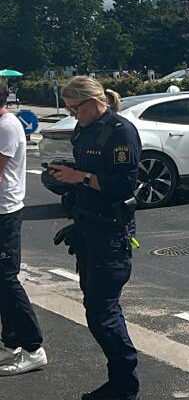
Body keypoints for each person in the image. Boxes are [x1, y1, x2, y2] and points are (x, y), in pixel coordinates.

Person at [49, 76, 141, 400]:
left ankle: (125, 384)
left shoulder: (119, 132)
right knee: (96, 309)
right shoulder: (84, 130)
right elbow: (87, 170)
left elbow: (122, 186)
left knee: (103, 312)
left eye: (75, 108)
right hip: (89, 229)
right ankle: (120, 381)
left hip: (112, 233)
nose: (72, 114)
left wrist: (81, 176)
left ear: (92, 102)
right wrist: (66, 173)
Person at [0, 78, 47, 377]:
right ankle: (12, 341)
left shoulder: (6, 126)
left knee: (7, 280)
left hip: (4, 212)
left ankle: (33, 348)